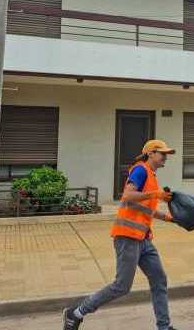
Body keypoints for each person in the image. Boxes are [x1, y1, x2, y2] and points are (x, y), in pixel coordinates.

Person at [63, 139, 178, 330]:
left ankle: (164, 327)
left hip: (143, 239)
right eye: (162, 153)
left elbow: (142, 207)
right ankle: (75, 313)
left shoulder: (151, 176)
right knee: (122, 286)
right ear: (150, 153)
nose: (165, 157)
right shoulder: (140, 170)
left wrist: (169, 218)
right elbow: (128, 195)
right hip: (127, 237)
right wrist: (156, 194)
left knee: (159, 279)